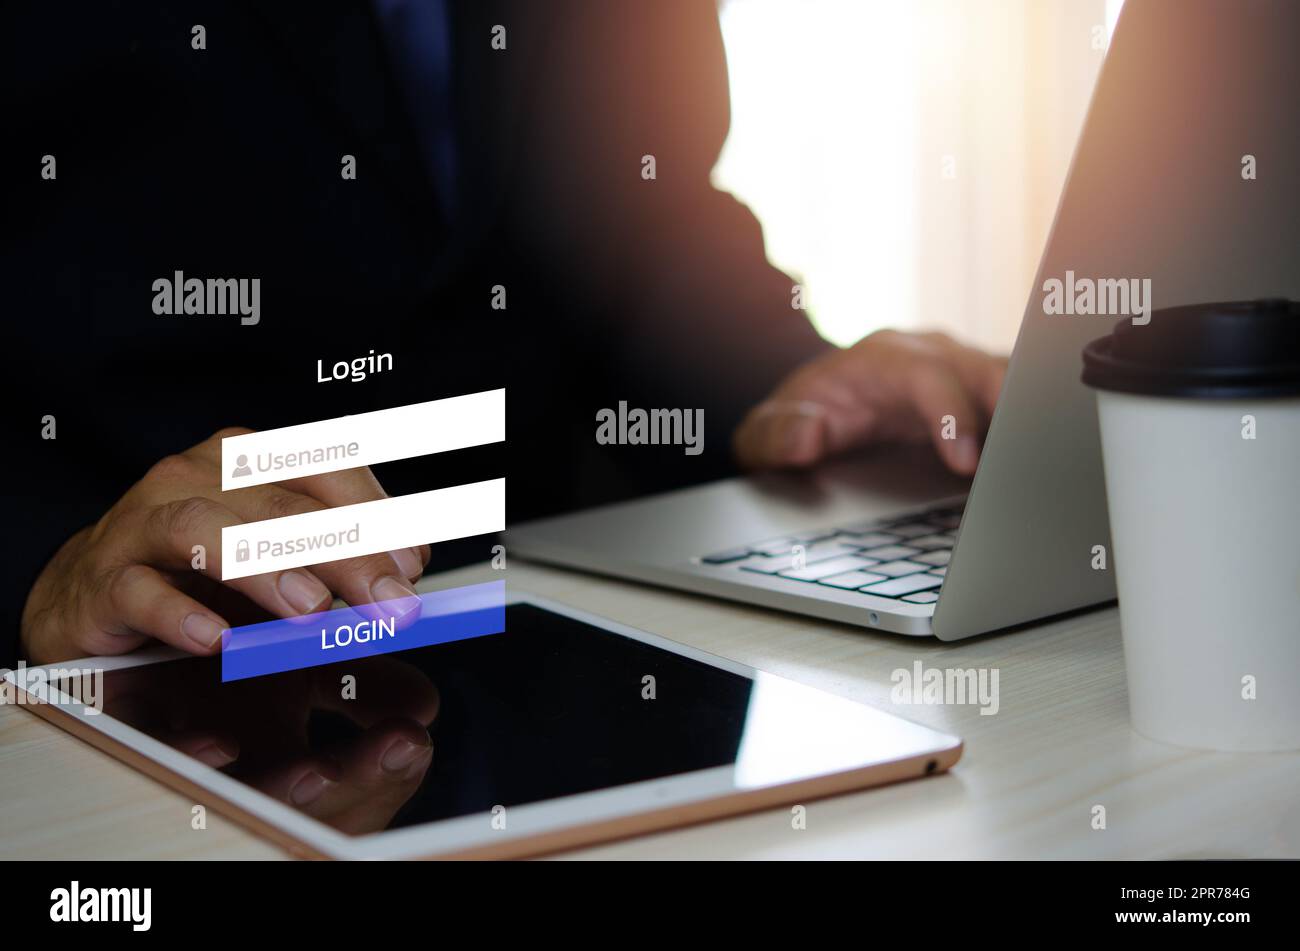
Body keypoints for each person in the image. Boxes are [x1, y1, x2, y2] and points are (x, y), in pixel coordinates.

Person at [4, 1, 1005, 667]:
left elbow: (643, 209)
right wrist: (44, 567)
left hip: (578, 662)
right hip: (143, 677)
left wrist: (792, 379)